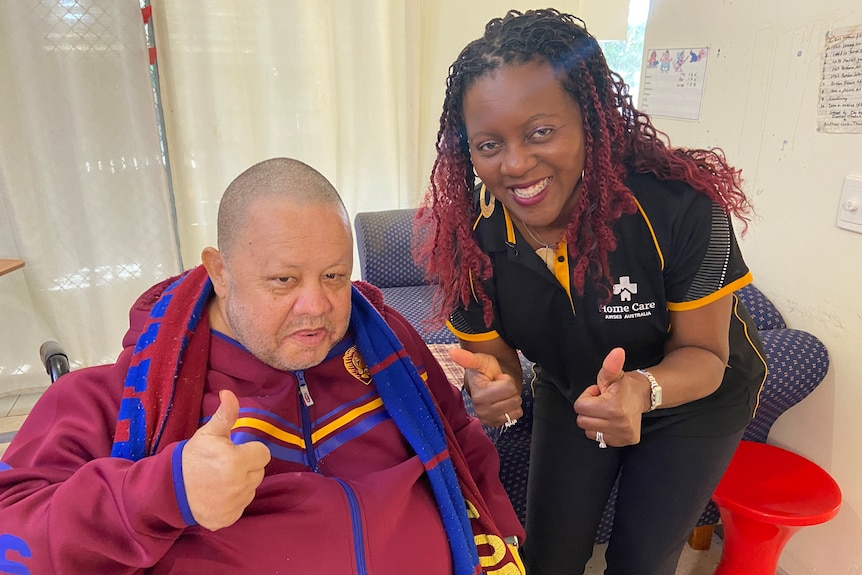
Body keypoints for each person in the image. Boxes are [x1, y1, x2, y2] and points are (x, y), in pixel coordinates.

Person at [0, 158, 525, 574]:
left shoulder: (386, 345)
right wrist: (164, 492)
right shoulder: (122, 396)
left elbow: (459, 444)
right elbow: (13, 540)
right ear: (220, 272)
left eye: (334, 276)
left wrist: (504, 546)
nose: (317, 306)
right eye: (283, 280)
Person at [415, 9, 767, 575]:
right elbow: (495, 362)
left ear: (591, 118)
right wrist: (493, 387)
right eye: (487, 144)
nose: (516, 165)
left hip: (697, 398)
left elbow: (706, 356)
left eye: (540, 132)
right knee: (549, 554)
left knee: (641, 560)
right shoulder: (470, 242)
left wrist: (640, 390)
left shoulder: (678, 207)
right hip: (574, 388)